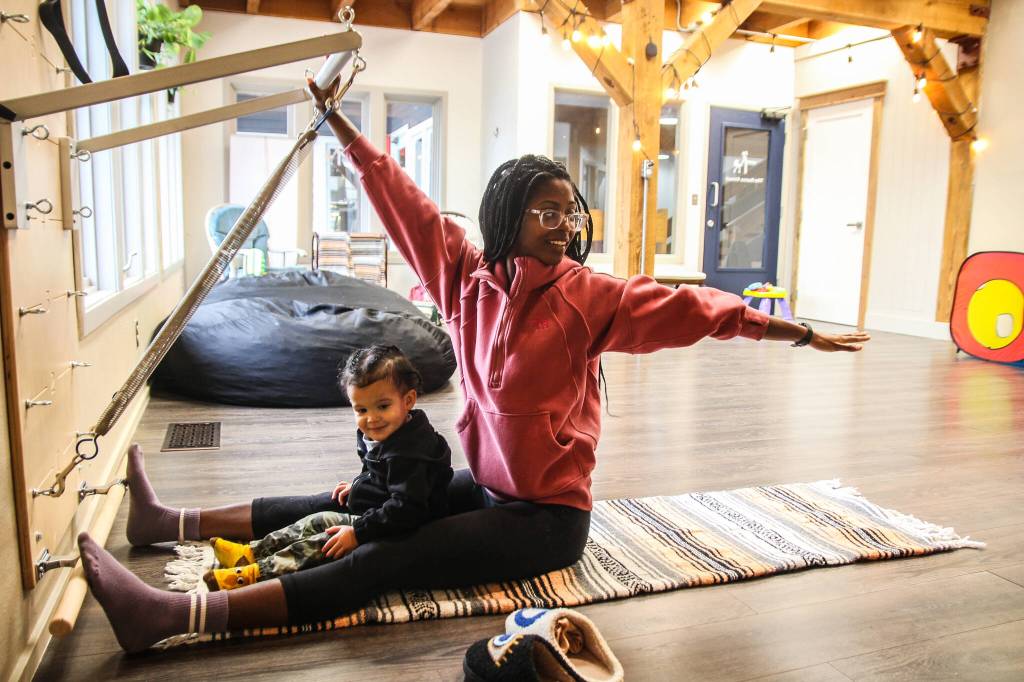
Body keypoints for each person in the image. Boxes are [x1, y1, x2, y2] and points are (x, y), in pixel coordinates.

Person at [77, 77, 870, 653]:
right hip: (487, 485)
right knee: (350, 497)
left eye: (570, 212)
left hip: (546, 520)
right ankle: (168, 524)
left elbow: (693, 309)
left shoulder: (592, 298)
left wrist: (794, 332)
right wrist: (345, 132)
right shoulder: (465, 277)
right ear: (508, 215)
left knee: (387, 555)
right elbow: (407, 206)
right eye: (546, 210)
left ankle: (175, 618)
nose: (564, 224)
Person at [201, 345, 453, 591]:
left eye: (383, 406)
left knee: (328, 540)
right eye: (361, 409)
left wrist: (357, 533)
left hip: (408, 526)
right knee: (317, 519)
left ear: (408, 400)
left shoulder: (410, 453)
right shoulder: (382, 433)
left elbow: (407, 508)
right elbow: (379, 472)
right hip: (383, 510)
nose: (371, 418)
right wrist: (360, 484)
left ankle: (256, 573)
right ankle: (251, 553)